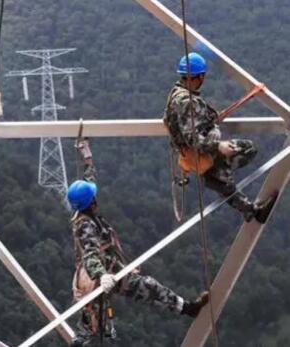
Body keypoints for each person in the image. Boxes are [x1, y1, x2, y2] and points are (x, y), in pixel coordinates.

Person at [68, 139, 209, 346]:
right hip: (96, 276)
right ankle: (187, 308)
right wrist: (102, 275)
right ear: (91, 202)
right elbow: (90, 255)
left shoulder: (86, 211)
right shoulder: (85, 225)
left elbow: (89, 180)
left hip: (109, 269)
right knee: (93, 323)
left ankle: (186, 308)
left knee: (93, 322)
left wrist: (87, 156)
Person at [163, 52, 277, 223]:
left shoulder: (175, 94)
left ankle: (246, 207)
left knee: (224, 183)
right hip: (202, 151)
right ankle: (219, 173)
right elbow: (193, 139)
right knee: (247, 149)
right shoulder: (188, 102)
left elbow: (174, 124)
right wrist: (218, 146)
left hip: (191, 153)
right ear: (199, 76)